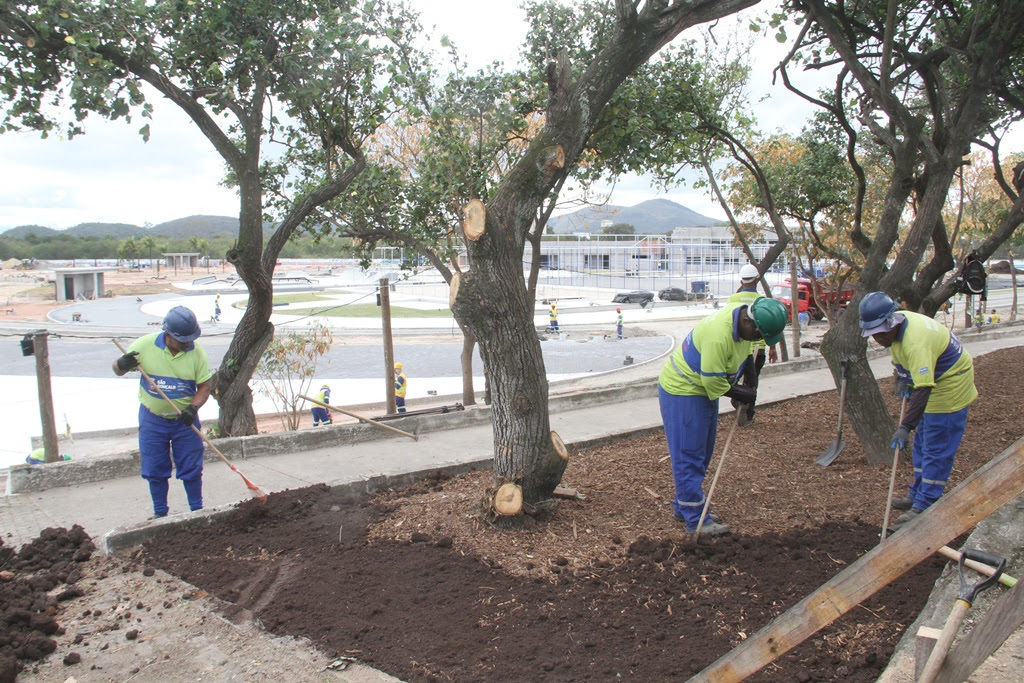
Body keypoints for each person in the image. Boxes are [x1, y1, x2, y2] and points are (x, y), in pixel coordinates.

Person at [658, 297, 788, 536]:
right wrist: (742, 394)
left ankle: (685, 505)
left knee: (703, 453)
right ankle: (697, 521)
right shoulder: (719, 334)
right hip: (683, 390)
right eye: (758, 335)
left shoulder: (745, 322)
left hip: (702, 390)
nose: (759, 340)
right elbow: (713, 382)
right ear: (749, 321)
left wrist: (750, 376)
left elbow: (747, 351)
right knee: (689, 454)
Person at [859, 292, 977, 531]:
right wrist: (902, 377)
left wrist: (905, 426)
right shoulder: (896, 332)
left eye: (880, 332)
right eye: (873, 334)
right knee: (922, 444)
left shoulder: (916, 342)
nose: (878, 339)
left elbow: (923, 388)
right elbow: (903, 362)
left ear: (892, 322)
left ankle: (926, 503)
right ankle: (916, 493)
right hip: (932, 381)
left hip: (950, 386)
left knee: (936, 447)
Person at [113, 305, 212, 519]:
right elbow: (118, 370)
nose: (187, 342)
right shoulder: (144, 345)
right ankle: (160, 514)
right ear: (168, 334)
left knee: (191, 465)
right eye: (182, 339)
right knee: (155, 466)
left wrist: (193, 407)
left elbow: (205, 386)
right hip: (153, 418)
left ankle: (197, 511)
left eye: (190, 338)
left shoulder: (197, 353)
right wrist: (121, 364)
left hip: (184, 419)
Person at [726, 263, 779, 374]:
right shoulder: (762, 301)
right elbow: (768, 326)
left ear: (741, 282)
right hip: (758, 349)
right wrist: (772, 348)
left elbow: (728, 324)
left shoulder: (733, 299)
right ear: (756, 281)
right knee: (752, 384)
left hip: (737, 349)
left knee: (737, 385)